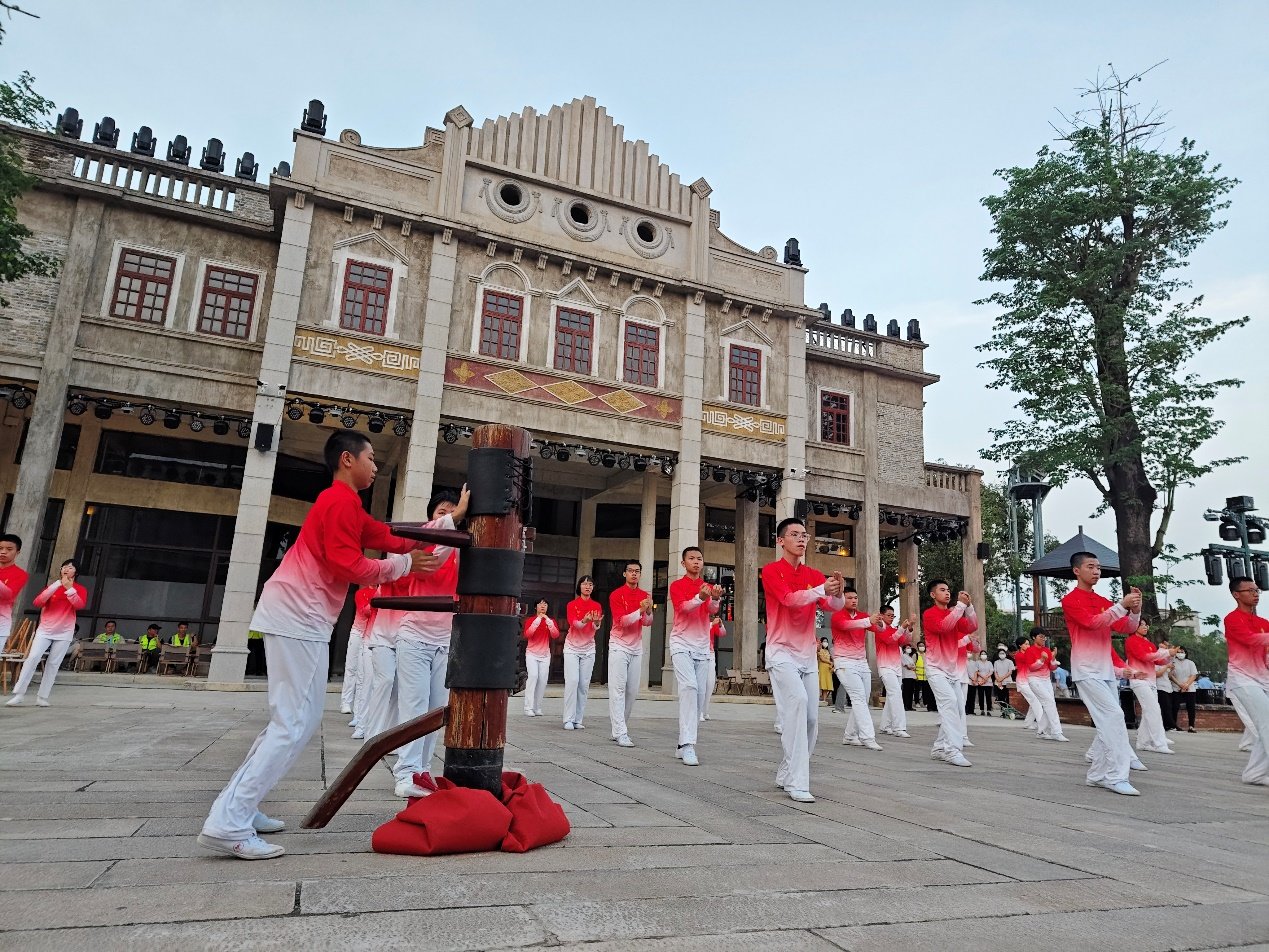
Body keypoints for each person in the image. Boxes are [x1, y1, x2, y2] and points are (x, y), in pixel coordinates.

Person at [198, 430, 431, 860]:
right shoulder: (339, 501)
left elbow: (384, 535)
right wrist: (403, 564)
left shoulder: (345, 503)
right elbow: (351, 564)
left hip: (298, 615)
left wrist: (441, 527)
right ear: (347, 459)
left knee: (288, 723)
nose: (376, 466)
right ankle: (228, 822)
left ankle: (238, 810)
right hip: (298, 615)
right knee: (293, 724)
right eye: (371, 458)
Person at [387, 488, 468, 799]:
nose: (447, 516)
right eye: (441, 513)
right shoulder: (418, 548)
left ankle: (422, 771)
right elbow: (433, 562)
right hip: (415, 637)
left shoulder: (460, 547)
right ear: (431, 519)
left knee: (436, 710)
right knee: (414, 707)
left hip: (445, 639)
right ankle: (405, 773)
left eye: (452, 511)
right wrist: (454, 519)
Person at [760, 516, 845, 802]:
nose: (801, 539)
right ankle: (798, 781)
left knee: (810, 718)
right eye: (795, 534)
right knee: (797, 703)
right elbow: (789, 600)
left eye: (805, 535)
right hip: (781, 650)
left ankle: (787, 770)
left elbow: (831, 607)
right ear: (780, 540)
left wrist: (837, 591)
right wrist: (821, 590)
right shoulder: (771, 571)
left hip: (807, 655)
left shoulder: (813, 574)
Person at [1061, 551, 1142, 796]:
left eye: (1098, 567)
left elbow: (1126, 627)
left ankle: (1097, 774)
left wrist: (1135, 610)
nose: (1096, 571)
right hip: (1086, 669)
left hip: (1105, 670)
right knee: (1115, 715)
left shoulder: (1103, 600)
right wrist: (1121, 606)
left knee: (1108, 719)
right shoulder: (1071, 600)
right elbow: (1093, 623)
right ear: (1077, 570)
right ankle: (1115, 776)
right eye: (1090, 566)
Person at [6, 558, 86, 707]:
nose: (66, 569)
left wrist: (69, 589)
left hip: (64, 632)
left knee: (53, 664)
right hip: (45, 630)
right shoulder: (51, 587)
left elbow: (79, 605)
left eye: (70, 567)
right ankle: (19, 694)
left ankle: (42, 697)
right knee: (33, 658)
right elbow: (38, 602)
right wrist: (56, 586)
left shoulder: (79, 589)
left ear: (76, 572)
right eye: (64, 567)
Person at [667, 546, 722, 767]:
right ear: (683, 563)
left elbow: (712, 611)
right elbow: (683, 609)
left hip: (701, 647)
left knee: (698, 697)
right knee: (689, 688)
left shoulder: (707, 586)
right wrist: (700, 597)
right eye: (692, 558)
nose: (696, 562)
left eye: (700, 558)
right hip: (681, 643)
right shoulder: (677, 585)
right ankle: (689, 745)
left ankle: (682, 744)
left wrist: (715, 599)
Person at [922, 580, 978, 766]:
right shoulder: (929, 614)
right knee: (950, 703)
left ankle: (939, 748)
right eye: (942, 590)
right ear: (932, 595)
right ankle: (953, 750)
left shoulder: (953, 614)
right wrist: (960, 606)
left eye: (948, 590)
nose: (947, 593)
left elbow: (972, 627)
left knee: (955, 708)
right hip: (935, 668)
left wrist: (969, 607)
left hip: (952, 670)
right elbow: (944, 627)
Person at [1222, 576, 1269, 786]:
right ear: (1236, 594)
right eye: (1250, 590)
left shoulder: (1263, 623)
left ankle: (1254, 774)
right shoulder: (1232, 619)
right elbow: (1250, 639)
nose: (1255, 593)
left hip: (1263, 678)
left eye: (1257, 590)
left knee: (1264, 727)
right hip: (1242, 678)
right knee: (1266, 724)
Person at [608, 560, 653, 748]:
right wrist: (641, 610)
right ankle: (620, 732)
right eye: (631, 571)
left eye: (637, 571)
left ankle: (620, 726)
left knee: (631, 691)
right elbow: (621, 621)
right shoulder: (616, 595)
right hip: (619, 645)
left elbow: (648, 622)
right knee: (617, 689)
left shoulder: (645, 595)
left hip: (636, 648)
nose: (634, 574)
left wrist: (648, 611)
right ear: (624, 574)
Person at [832, 588, 883, 750]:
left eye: (855, 597)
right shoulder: (837, 616)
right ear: (842, 600)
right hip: (844, 662)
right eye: (849, 598)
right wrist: (869, 621)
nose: (853, 600)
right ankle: (868, 736)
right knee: (858, 698)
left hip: (862, 662)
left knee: (862, 699)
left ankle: (850, 735)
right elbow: (848, 626)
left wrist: (879, 622)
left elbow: (879, 629)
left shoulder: (863, 615)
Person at [1123, 622, 1174, 755]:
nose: (1145, 627)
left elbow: (1158, 661)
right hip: (1139, 680)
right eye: (1142, 625)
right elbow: (1144, 657)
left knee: (1148, 711)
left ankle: (1143, 742)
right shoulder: (1131, 641)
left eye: (1146, 625)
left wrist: (1169, 655)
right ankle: (1159, 743)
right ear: (1135, 626)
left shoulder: (1150, 644)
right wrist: (1166, 652)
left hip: (1151, 681)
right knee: (1153, 709)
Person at [562, 576, 601, 731]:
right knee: (572, 681)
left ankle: (578, 719)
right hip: (572, 647)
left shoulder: (596, 605)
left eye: (590, 584)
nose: (588, 587)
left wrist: (597, 623)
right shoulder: (572, 605)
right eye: (585, 584)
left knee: (583, 685)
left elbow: (596, 626)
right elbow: (575, 624)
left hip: (589, 648)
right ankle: (568, 719)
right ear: (579, 587)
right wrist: (585, 620)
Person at [875, 607, 913, 737]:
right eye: (889, 615)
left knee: (893, 696)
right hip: (885, 665)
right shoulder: (880, 627)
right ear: (882, 615)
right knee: (895, 694)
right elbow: (889, 640)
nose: (892, 617)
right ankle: (899, 727)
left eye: (893, 615)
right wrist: (902, 628)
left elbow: (905, 641)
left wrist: (909, 628)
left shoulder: (894, 629)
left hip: (896, 667)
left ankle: (885, 726)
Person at [340, 586, 374, 723]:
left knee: (362, 674)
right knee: (351, 668)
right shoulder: (360, 593)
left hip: (370, 634)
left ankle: (359, 709)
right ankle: (346, 701)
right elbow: (364, 610)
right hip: (357, 632)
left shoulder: (381, 592)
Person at [1027, 631, 1069, 742]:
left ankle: (1041, 731)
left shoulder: (1046, 650)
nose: (1043, 639)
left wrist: (1053, 658)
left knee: (1049, 704)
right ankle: (1056, 732)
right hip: (1034, 680)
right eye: (1041, 637)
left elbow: (1052, 668)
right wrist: (1041, 660)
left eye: (1044, 637)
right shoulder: (1030, 651)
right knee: (1049, 703)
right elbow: (1031, 668)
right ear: (1033, 637)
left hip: (1046, 680)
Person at [523, 598, 560, 717]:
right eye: (540, 604)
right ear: (536, 607)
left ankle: (537, 707)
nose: (543, 606)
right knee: (533, 676)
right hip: (532, 653)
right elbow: (528, 634)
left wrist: (548, 621)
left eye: (545, 604)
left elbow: (555, 635)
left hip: (544, 655)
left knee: (542, 681)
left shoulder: (551, 621)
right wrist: (538, 619)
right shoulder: (531, 620)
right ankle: (528, 707)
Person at [0, 532, 29, 643]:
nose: (3, 552)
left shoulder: (20, 574)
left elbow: (8, 594)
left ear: (17, 552)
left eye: (9, 549)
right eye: (0, 548)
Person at [1013, 634, 1040, 732]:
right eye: (1026, 644)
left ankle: (1028, 723)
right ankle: (1042, 723)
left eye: (1029, 644)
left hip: (1029, 681)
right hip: (1022, 682)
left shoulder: (1028, 653)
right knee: (1035, 701)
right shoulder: (1019, 655)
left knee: (1034, 701)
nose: (1028, 646)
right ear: (1020, 645)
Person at [1170, 646, 1199, 733]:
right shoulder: (1172, 662)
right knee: (1174, 707)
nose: (1180, 654)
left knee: (1191, 708)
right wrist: (1179, 685)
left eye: (1182, 652)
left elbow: (1193, 675)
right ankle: (1173, 725)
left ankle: (1191, 726)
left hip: (1189, 689)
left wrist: (1186, 685)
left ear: (1185, 653)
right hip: (1176, 688)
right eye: (1178, 652)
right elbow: (1170, 676)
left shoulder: (1190, 663)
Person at [703, 613, 725, 721]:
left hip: (710, 654)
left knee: (710, 683)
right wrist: (711, 623)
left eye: (713, 616)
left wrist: (720, 624)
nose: (712, 617)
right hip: (700, 652)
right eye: (710, 616)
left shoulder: (712, 624)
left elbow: (722, 633)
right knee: (700, 684)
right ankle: (699, 712)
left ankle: (705, 710)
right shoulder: (700, 621)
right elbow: (701, 631)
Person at [1155, 638, 1177, 732]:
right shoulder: (1156, 659)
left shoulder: (1167, 660)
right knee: (1164, 707)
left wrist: (1170, 668)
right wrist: (1166, 667)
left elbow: (1168, 675)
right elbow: (1157, 674)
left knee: (1168, 706)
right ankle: (1168, 725)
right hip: (1159, 686)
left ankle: (1169, 725)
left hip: (1167, 686)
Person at [970, 649, 993, 715]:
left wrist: (986, 678)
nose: (983, 655)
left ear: (987, 655)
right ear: (980, 656)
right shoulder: (977, 662)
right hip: (980, 681)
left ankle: (989, 710)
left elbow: (991, 671)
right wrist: (983, 678)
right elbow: (976, 671)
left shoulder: (989, 663)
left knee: (988, 696)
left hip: (988, 681)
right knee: (981, 696)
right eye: (982, 654)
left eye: (984, 654)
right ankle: (982, 710)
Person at [992, 645, 1015, 711]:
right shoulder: (996, 662)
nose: (1002, 655)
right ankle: (1003, 710)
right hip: (999, 683)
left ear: (1005, 653)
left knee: (1008, 697)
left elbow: (1010, 672)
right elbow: (995, 672)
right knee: (1000, 697)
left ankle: (1008, 710)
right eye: (1000, 653)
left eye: (1003, 653)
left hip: (1007, 682)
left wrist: (1001, 679)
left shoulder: (1010, 662)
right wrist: (998, 680)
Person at [900, 644, 918, 711]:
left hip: (912, 676)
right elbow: (908, 666)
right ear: (904, 649)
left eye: (910, 647)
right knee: (906, 692)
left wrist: (912, 667)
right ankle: (905, 705)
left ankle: (910, 706)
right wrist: (912, 667)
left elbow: (914, 666)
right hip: (906, 676)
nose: (909, 649)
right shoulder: (903, 656)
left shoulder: (910, 657)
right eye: (907, 648)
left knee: (911, 692)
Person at [817, 638, 833, 704]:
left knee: (827, 684)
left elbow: (831, 659)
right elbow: (822, 659)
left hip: (828, 669)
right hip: (822, 668)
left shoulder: (828, 651)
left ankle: (824, 700)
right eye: (824, 641)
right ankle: (819, 698)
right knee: (822, 683)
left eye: (826, 641)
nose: (825, 643)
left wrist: (832, 664)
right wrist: (830, 662)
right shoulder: (819, 650)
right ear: (821, 642)